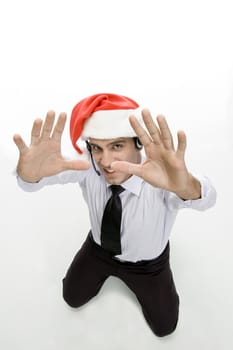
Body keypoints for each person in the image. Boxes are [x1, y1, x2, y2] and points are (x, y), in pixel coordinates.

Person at [13, 93, 216, 337]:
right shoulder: (89, 166)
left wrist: (186, 187)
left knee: (166, 328)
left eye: (117, 146)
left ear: (137, 144)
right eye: (97, 148)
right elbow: (41, 178)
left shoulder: (163, 178)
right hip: (99, 251)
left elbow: (207, 199)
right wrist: (29, 175)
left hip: (148, 266)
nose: (106, 162)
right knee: (71, 297)